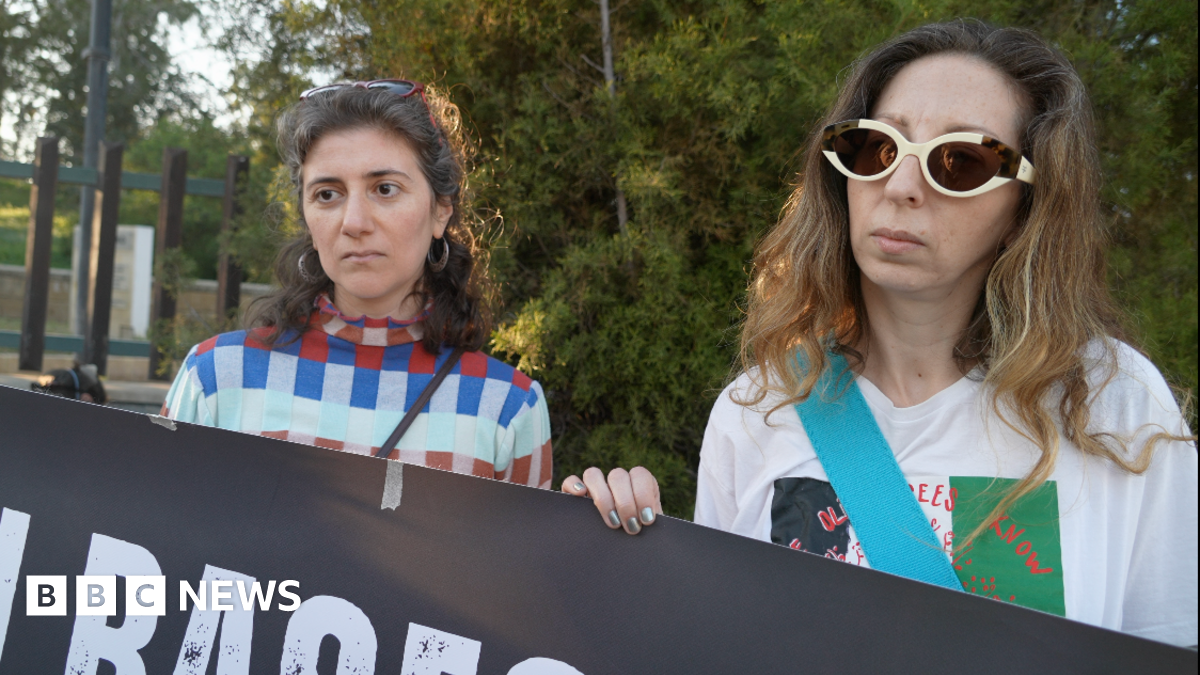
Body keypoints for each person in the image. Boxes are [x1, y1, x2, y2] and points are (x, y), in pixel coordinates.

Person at [564, 20, 1198, 646]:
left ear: (1025, 209)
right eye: (876, 148)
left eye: (960, 161)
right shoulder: (757, 412)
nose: (898, 187)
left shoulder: (1113, 405)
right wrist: (613, 560)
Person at [162, 79, 552, 488]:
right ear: (308, 219)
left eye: (385, 189)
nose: (353, 223)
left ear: (440, 210)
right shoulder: (216, 381)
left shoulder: (507, 409)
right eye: (328, 194)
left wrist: (615, 520)